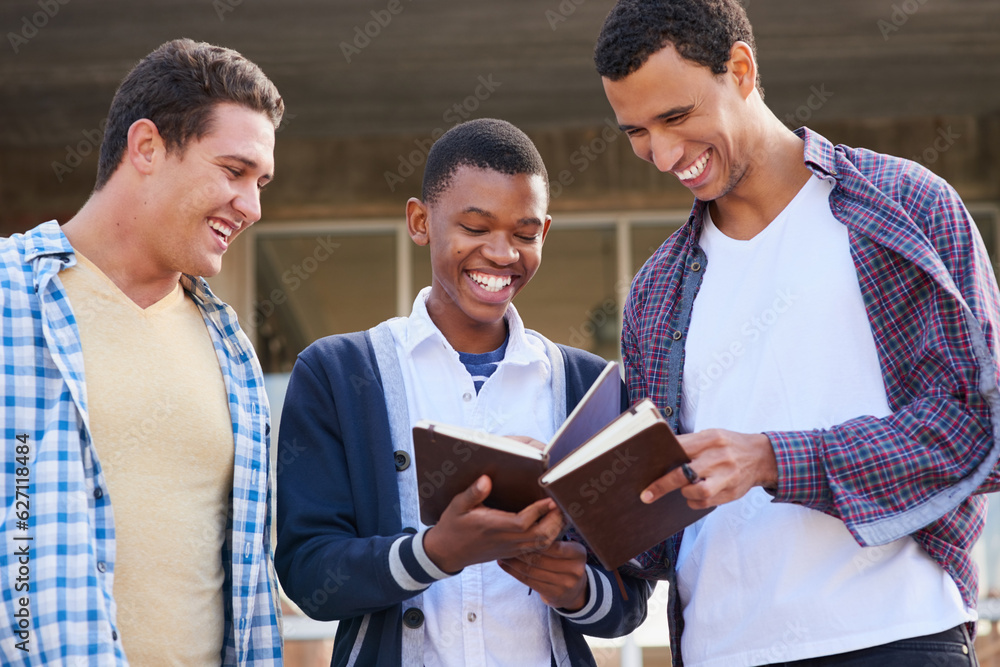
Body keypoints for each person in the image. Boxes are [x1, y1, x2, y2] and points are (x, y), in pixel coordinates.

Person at [593, 1, 1000, 665]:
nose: (662, 154)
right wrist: (569, 512)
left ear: (742, 70)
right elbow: (656, 531)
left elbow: (979, 429)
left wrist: (775, 457)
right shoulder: (655, 291)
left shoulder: (905, 205)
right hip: (720, 649)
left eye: (676, 116)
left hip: (893, 635)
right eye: (636, 131)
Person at [274, 118, 649, 666]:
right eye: (475, 228)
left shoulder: (590, 387)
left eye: (524, 234)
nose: (502, 254)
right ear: (421, 221)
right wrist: (435, 552)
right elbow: (309, 574)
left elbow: (631, 597)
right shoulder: (336, 372)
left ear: (544, 231)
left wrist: (577, 591)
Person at [0, 39, 283, 665]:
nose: (253, 206)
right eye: (233, 172)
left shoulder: (229, 343)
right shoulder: (8, 297)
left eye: (260, 182)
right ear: (148, 148)